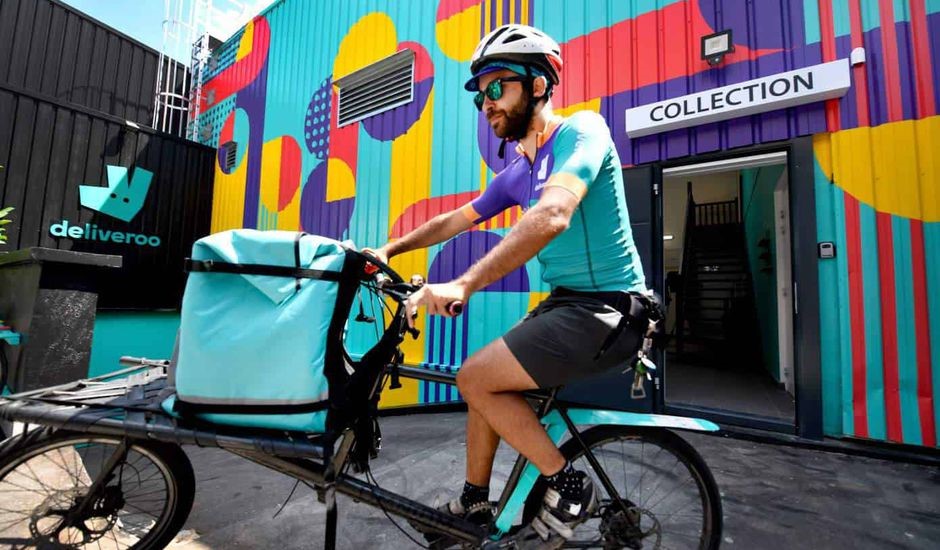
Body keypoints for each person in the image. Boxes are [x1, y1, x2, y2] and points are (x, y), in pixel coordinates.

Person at [364, 24, 648, 547]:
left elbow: (556, 212)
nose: (486, 104)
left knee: (474, 377)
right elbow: (455, 219)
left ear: (538, 85)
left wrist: (464, 284)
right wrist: (389, 251)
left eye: (497, 88)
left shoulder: (582, 132)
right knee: (482, 378)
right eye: (480, 96)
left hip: (608, 309)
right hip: (566, 306)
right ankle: (475, 499)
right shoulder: (521, 168)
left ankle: (566, 483)